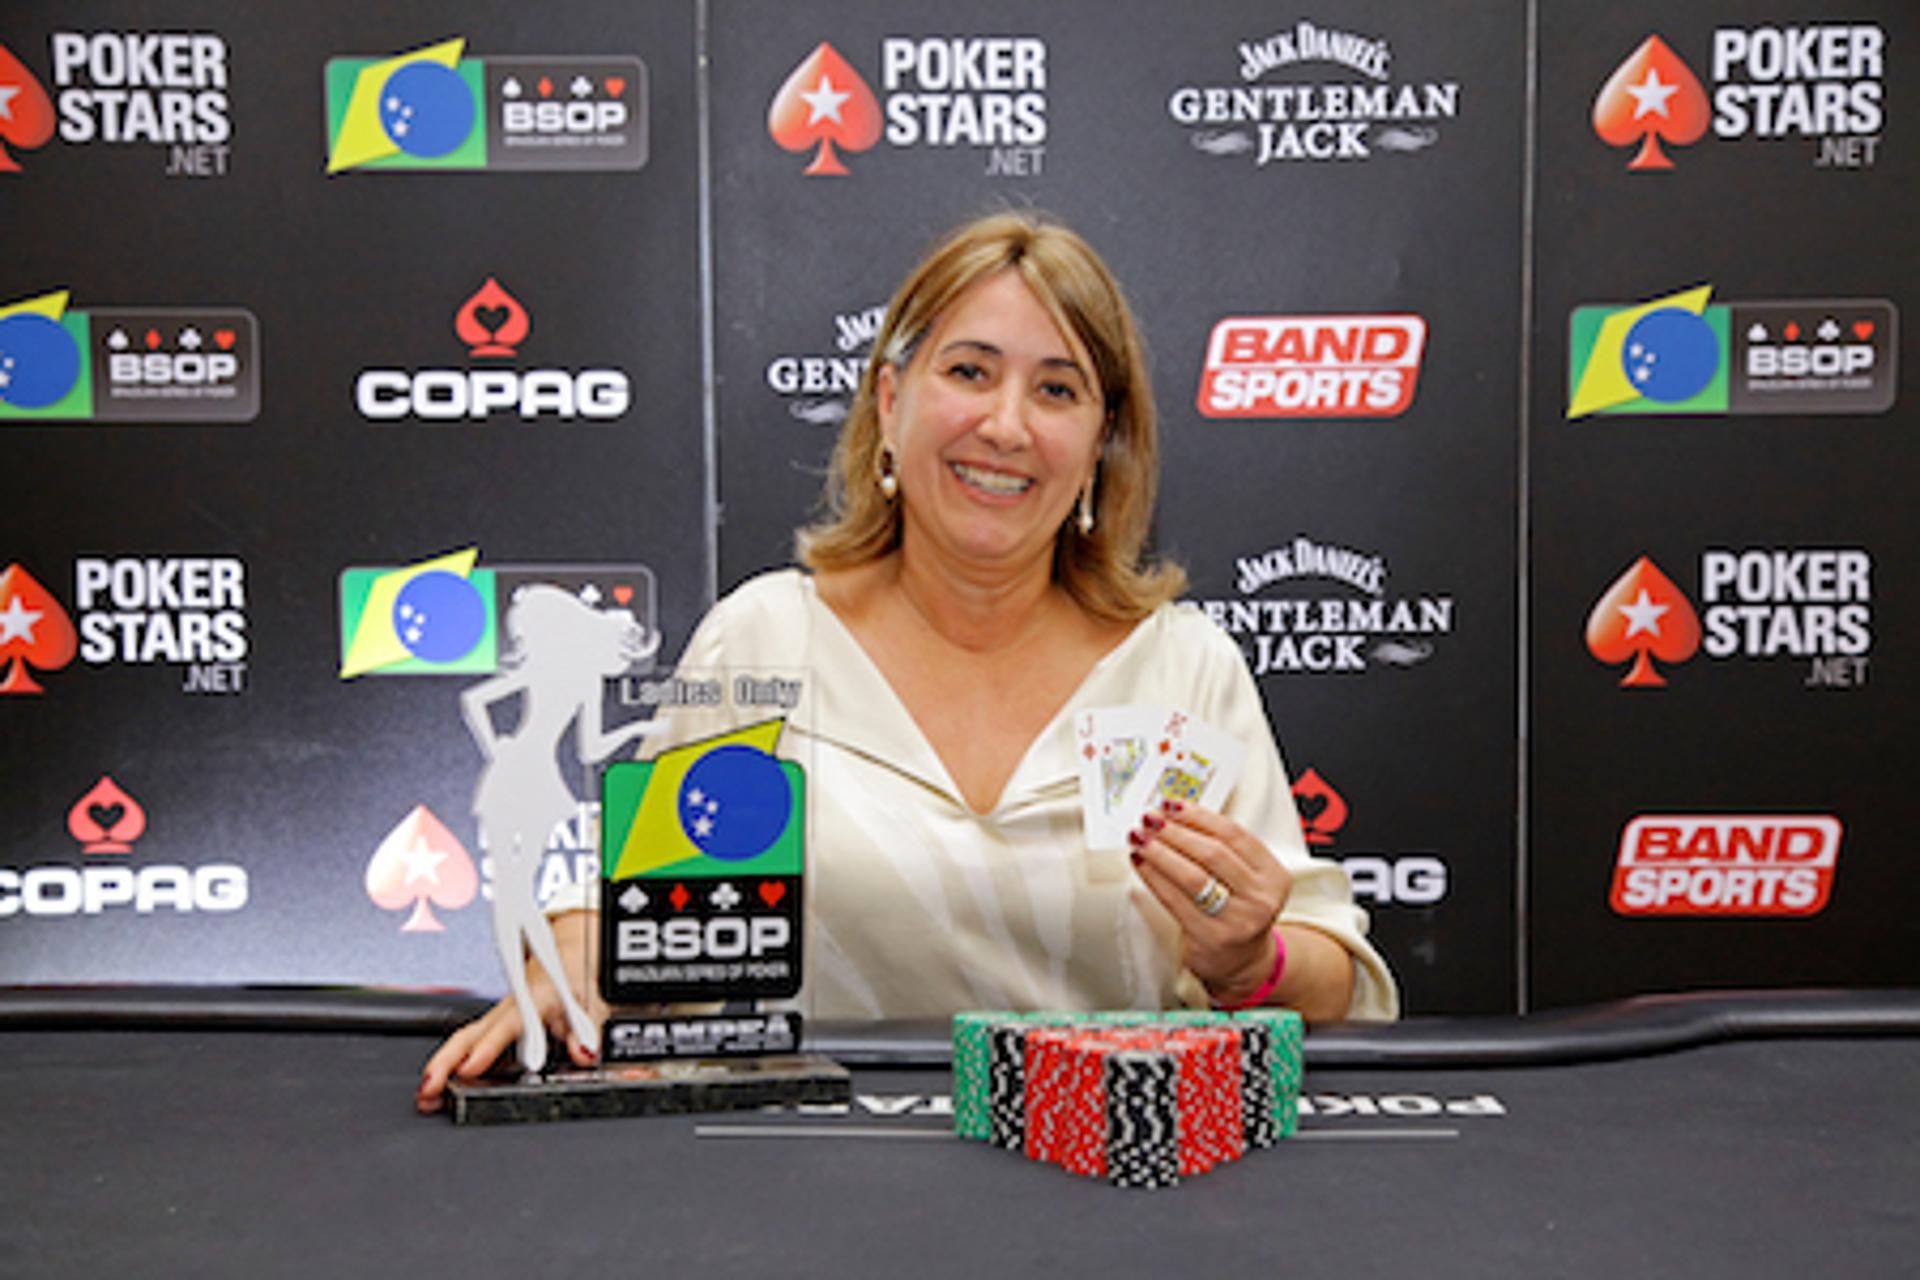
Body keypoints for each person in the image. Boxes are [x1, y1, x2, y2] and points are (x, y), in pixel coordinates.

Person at [418, 211, 1397, 1111]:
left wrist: (1247, 960)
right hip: (807, 1188)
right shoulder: (765, 640)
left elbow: (1341, 991)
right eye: (969, 371)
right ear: (890, 402)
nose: (1007, 425)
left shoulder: (1181, 669)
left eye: (1057, 389)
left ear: (1101, 442)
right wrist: (573, 962)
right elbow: (641, 920)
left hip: (1105, 1199)